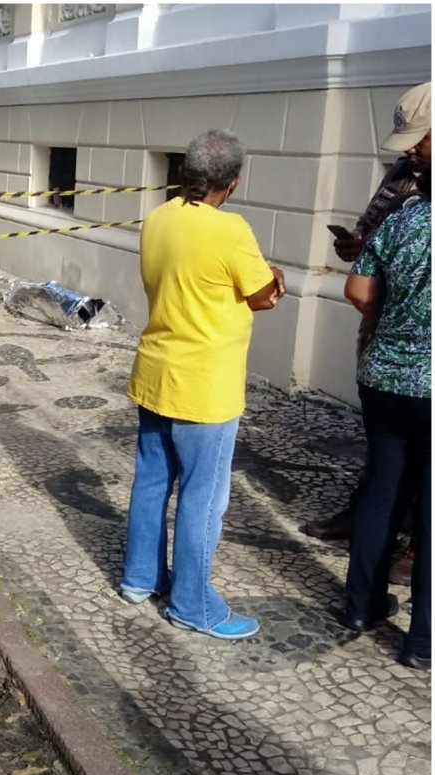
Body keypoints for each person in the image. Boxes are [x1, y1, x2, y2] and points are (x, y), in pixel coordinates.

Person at [121, 129, 285, 640]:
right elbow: (261, 295)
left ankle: (139, 579)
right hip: (205, 386)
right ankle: (193, 605)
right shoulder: (230, 230)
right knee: (202, 496)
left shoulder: (158, 217)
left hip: (156, 371)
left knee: (152, 481)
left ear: (183, 174)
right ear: (232, 183)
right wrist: (275, 280)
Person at [302, 82, 431, 574]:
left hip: (416, 340)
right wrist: (358, 246)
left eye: (421, 138)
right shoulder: (405, 171)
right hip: (385, 328)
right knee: (386, 444)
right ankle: (368, 521)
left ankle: (417, 549)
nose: (413, 149)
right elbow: (374, 232)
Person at [340, 160, 430, 669]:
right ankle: (423, 639)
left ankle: (361, 607)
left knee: (382, 490)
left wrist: (395, 320)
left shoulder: (402, 218)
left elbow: (358, 289)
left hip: (385, 378)